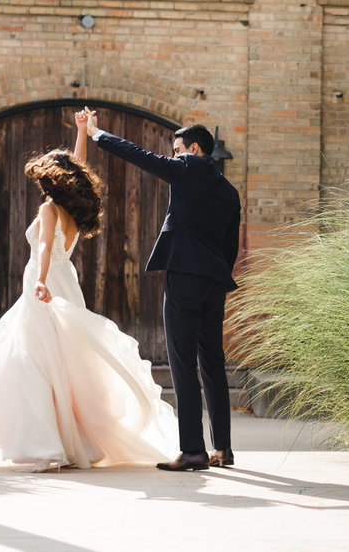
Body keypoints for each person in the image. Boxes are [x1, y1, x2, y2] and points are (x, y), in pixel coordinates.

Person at [0, 110, 177, 472]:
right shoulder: (69, 209)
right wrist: (82, 131)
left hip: (46, 284)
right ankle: (63, 442)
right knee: (64, 364)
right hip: (65, 283)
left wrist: (39, 280)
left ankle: (47, 447)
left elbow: (43, 247)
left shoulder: (50, 209)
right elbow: (79, 166)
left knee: (37, 362)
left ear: (49, 181)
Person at [86, 110, 241, 472]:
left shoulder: (187, 167)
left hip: (185, 277)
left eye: (177, 150)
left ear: (195, 149)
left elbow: (139, 156)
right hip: (214, 282)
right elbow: (230, 247)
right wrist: (217, 277)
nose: (172, 156)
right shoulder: (230, 192)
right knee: (213, 363)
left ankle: (192, 451)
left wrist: (96, 134)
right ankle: (223, 449)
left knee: (183, 364)